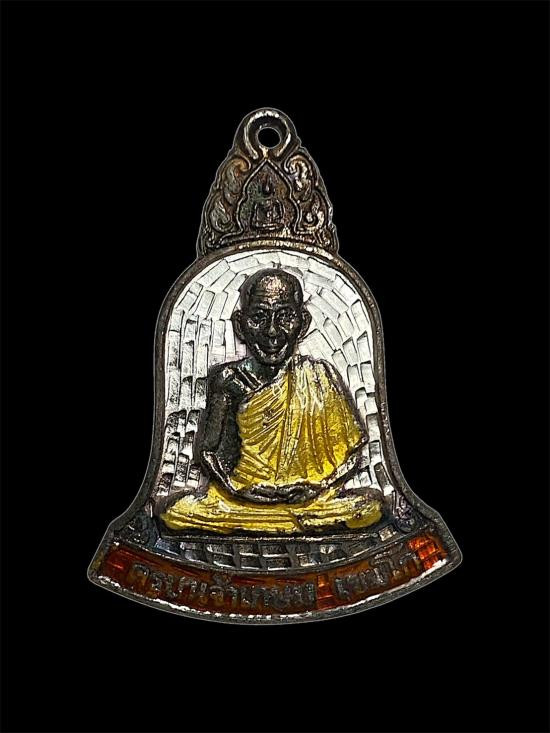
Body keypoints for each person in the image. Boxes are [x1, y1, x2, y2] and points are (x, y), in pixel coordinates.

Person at [160, 268, 384, 534]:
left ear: (303, 322)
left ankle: (284, 520)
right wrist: (237, 490)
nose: (272, 332)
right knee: (177, 513)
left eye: (285, 317)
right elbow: (208, 453)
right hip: (242, 499)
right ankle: (283, 522)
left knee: (368, 508)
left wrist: (318, 487)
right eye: (259, 317)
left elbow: (352, 455)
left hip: (310, 500)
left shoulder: (319, 376)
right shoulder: (229, 380)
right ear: (240, 325)